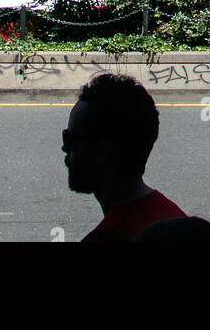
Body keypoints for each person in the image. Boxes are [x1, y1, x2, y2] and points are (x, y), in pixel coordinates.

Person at [62, 74, 186, 242]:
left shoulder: (107, 236)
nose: (65, 149)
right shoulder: (176, 219)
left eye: (70, 140)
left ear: (103, 151)